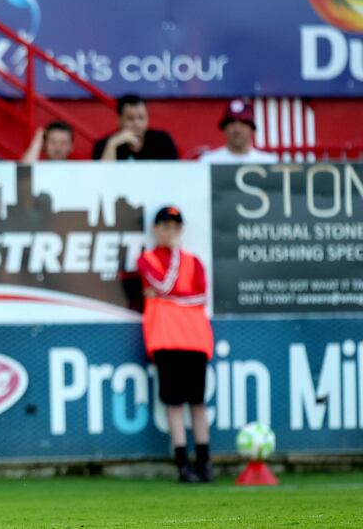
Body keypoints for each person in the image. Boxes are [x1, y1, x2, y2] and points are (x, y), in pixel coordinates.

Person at [137, 206, 214, 483]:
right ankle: (182, 464)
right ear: (155, 229)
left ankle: (204, 462)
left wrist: (168, 297)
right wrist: (173, 292)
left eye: (175, 227)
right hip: (166, 338)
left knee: (197, 402)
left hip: (195, 339)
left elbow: (200, 297)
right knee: (173, 403)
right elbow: (164, 285)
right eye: (165, 227)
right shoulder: (147, 259)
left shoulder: (193, 260)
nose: (171, 232)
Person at [93, 95, 178, 161]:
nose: (137, 124)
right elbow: (103, 175)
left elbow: (174, 172)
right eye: (131, 119)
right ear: (120, 120)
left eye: (141, 118)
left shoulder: (162, 141)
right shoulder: (104, 144)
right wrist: (112, 145)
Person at [198, 99, 278, 164]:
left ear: (252, 129)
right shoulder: (208, 161)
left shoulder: (268, 162)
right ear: (224, 129)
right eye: (232, 123)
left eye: (243, 123)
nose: (237, 129)